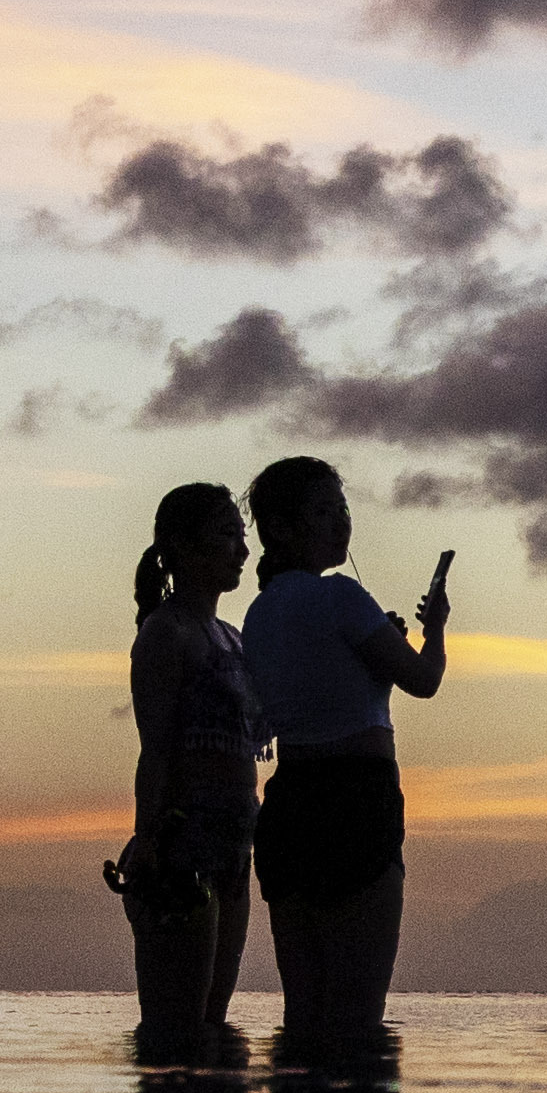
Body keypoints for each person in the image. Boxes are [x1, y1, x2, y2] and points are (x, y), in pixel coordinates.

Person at [235, 453, 444, 1060]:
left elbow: (302, 687)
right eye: (324, 511)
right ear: (283, 527)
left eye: (343, 509)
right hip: (357, 798)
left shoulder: (258, 612)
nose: (341, 523)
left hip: (292, 803)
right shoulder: (344, 598)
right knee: (358, 1017)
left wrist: (374, 639)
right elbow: (423, 680)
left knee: (303, 1014)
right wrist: (434, 632)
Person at [116, 480, 261, 1056]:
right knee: (175, 1028)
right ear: (182, 547)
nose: (242, 552)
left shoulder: (233, 638)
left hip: (236, 838)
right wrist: (148, 839)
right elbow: (154, 749)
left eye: (241, 537)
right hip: (182, 841)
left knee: (214, 1024)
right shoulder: (165, 633)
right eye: (227, 536)